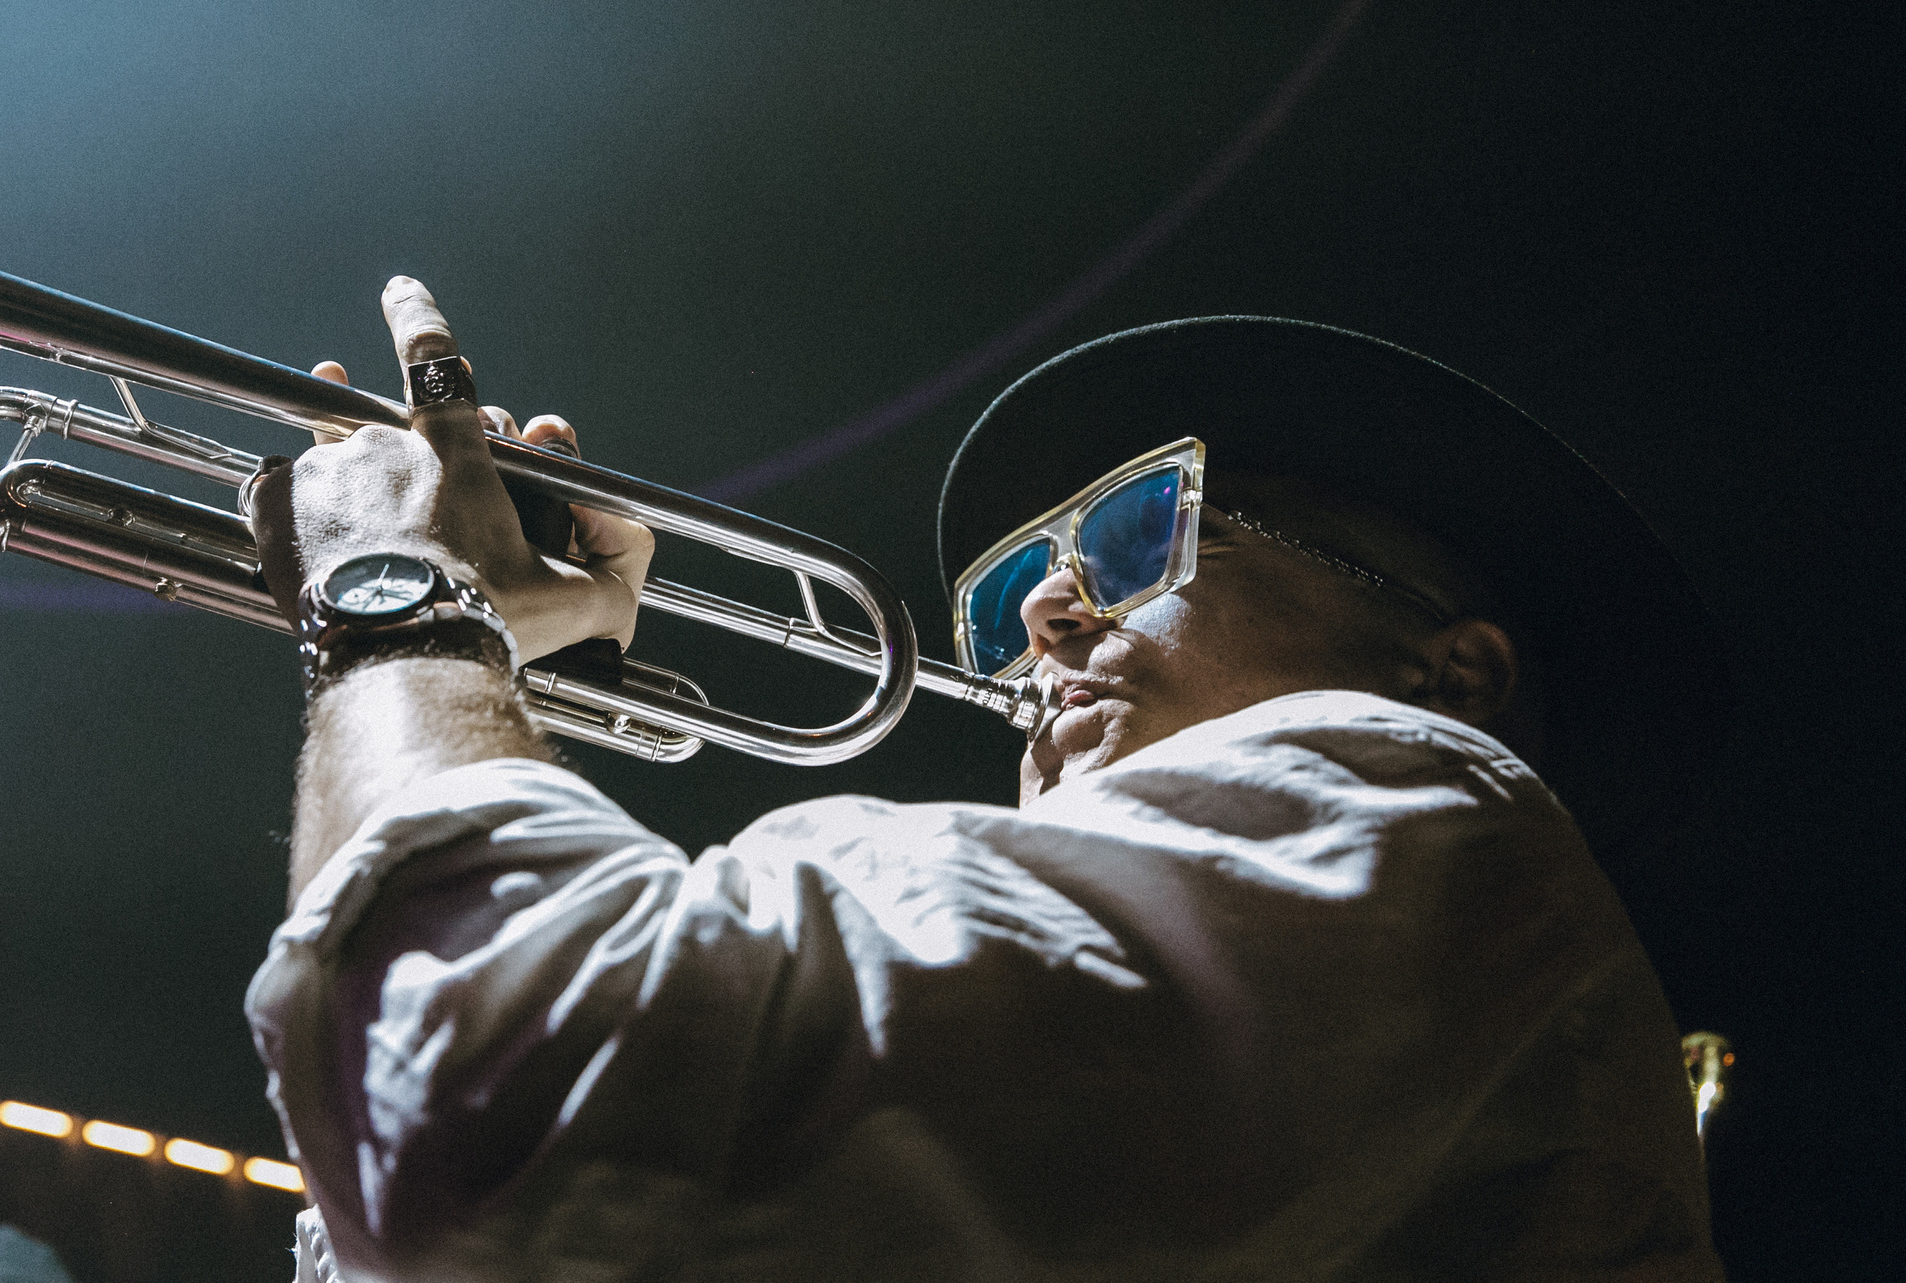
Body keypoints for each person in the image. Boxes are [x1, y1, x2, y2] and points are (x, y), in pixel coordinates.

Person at [242, 280, 1723, 1282]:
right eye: (1024, 570)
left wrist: (403, 594)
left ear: (1448, 673)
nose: (1044, 610)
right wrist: (463, 663)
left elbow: (507, 1097)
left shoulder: (1430, 806)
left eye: (1145, 537)